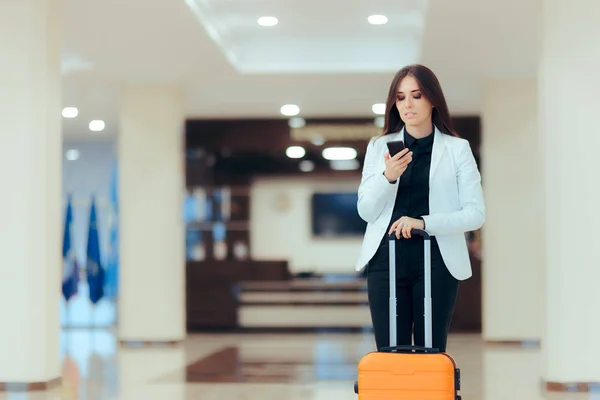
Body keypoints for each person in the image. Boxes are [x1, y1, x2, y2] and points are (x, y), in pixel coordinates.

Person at [355, 64, 485, 352]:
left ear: (432, 99)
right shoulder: (379, 147)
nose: (407, 105)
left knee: (431, 351)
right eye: (400, 97)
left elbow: (475, 214)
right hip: (385, 261)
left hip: (436, 260)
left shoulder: (457, 149)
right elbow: (365, 211)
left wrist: (423, 222)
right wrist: (387, 176)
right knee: (390, 354)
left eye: (416, 95)